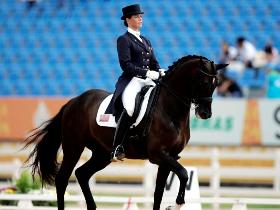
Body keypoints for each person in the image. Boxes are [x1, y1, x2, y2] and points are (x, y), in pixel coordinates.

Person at [110, 4, 165, 162]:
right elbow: (126, 65)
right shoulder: (124, 39)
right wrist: (147, 73)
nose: (140, 18)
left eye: (141, 16)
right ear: (128, 20)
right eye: (136, 16)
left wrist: (160, 71)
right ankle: (117, 147)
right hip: (132, 80)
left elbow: (154, 62)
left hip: (148, 79)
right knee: (130, 107)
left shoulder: (146, 40)